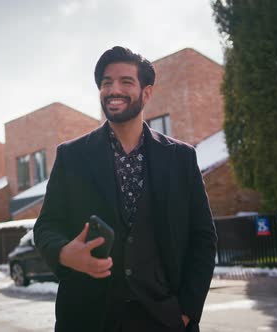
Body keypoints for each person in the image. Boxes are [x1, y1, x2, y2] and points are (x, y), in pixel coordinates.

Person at [33, 46, 217, 332]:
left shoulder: (181, 157)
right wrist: (63, 253)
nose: (113, 89)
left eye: (125, 82)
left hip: (164, 318)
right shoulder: (71, 156)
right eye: (106, 82)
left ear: (146, 93)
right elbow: (46, 226)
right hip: (88, 319)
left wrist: (186, 311)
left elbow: (203, 238)